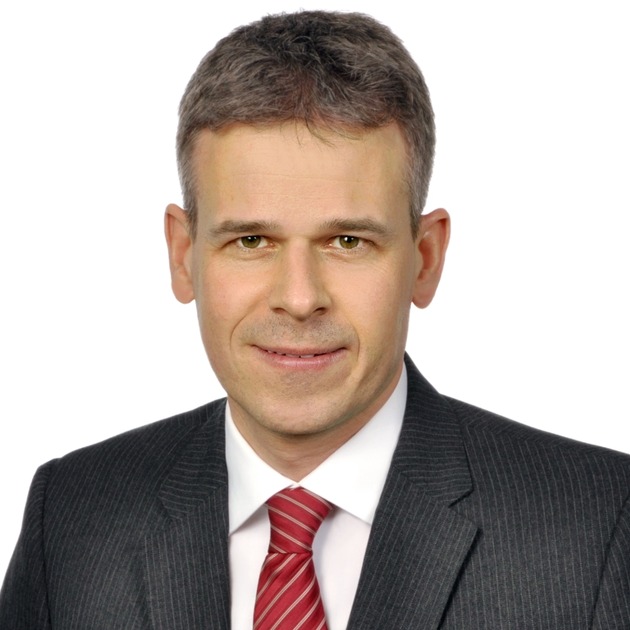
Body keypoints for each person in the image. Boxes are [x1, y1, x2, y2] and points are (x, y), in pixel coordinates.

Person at [1, 9, 629, 630]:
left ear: (426, 259)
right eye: (251, 241)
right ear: (182, 255)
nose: (300, 299)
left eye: (348, 242)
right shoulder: (72, 519)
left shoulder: (599, 526)